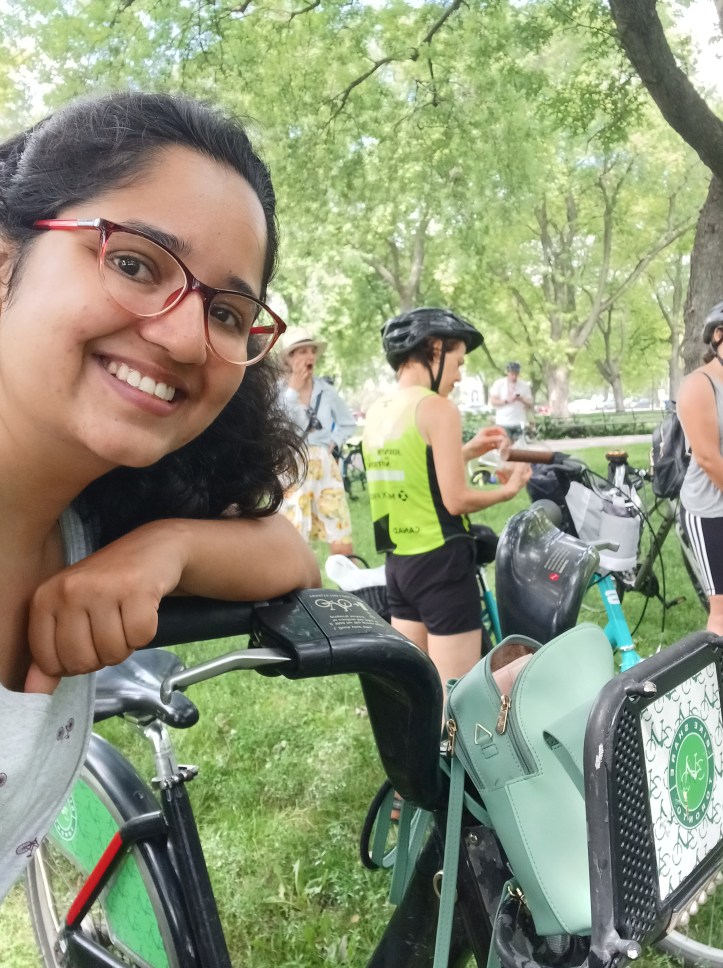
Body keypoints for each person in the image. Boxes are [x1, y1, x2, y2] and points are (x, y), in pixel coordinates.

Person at [0, 90, 321, 902]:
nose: (185, 338)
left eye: (227, 311)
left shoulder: (89, 518)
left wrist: (167, 550)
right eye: (135, 263)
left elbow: (289, 554)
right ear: (6, 260)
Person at [362, 308, 531, 690]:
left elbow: (414, 468)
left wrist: (466, 451)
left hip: (399, 566)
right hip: (442, 564)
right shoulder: (437, 408)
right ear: (434, 349)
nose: (459, 376)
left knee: (416, 691)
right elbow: (455, 500)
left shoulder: (378, 411)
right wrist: (508, 490)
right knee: (457, 696)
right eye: (458, 362)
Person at [278, 327, 356, 555]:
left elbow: (347, 423)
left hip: (325, 467)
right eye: (302, 351)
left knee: (340, 533)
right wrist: (293, 390)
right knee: (293, 540)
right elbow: (277, 426)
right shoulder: (279, 391)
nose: (310, 356)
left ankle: (345, 576)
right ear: (289, 358)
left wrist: (333, 442)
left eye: (312, 351)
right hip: (293, 467)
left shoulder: (326, 390)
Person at [678, 301, 723, 635]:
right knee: (722, 608)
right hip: (709, 510)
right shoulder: (699, 385)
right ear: (718, 336)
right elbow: (707, 458)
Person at [488, 361, 533, 440]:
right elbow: (493, 401)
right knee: (504, 445)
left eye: (516, 374)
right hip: (503, 422)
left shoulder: (524, 386)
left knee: (519, 446)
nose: (514, 377)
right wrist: (507, 400)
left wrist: (521, 399)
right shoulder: (499, 384)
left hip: (519, 422)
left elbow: (530, 404)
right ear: (507, 373)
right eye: (512, 374)